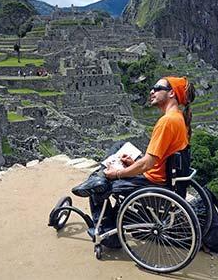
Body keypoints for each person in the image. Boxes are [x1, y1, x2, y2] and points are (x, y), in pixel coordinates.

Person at [72, 76, 195, 243]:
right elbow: (158, 160)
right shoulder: (179, 118)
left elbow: (147, 164)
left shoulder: (167, 122)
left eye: (157, 88)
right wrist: (132, 164)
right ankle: (100, 176)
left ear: (172, 93)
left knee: (99, 188)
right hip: (165, 180)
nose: (151, 91)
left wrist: (118, 174)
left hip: (154, 183)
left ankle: (107, 232)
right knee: (120, 145)